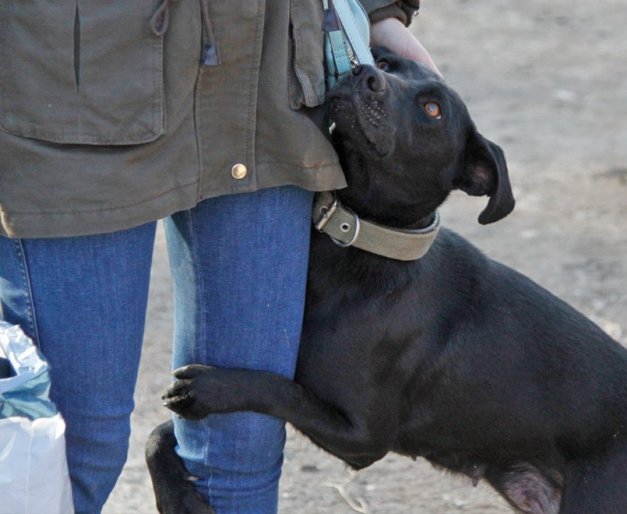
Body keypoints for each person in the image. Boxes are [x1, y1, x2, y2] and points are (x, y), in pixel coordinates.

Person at [0, 1, 436, 513]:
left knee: (240, 445)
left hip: (267, 76)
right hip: (78, 68)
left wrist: (378, 10)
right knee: (69, 443)